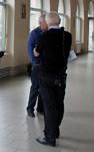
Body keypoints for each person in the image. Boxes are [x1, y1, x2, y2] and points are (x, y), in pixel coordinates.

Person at [33, 11, 72, 147]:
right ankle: (55, 131)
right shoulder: (67, 36)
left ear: (47, 23)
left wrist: (36, 51)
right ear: (60, 21)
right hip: (61, 76)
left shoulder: (44, 36)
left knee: (49, 106)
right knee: (59, 103)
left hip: (46, 76)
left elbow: (37, 52)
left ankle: (49, 138)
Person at [26, 14, 48, 117]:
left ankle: (40, 108)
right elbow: (30, 51)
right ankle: (30, 108)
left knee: (43, 88)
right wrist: (36, 63)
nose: (48, 24)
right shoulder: (34, 34)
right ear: (41, 23)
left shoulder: (48, 33)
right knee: (35, 87)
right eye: (46, 22)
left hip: (46, 65)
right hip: (37, 65)